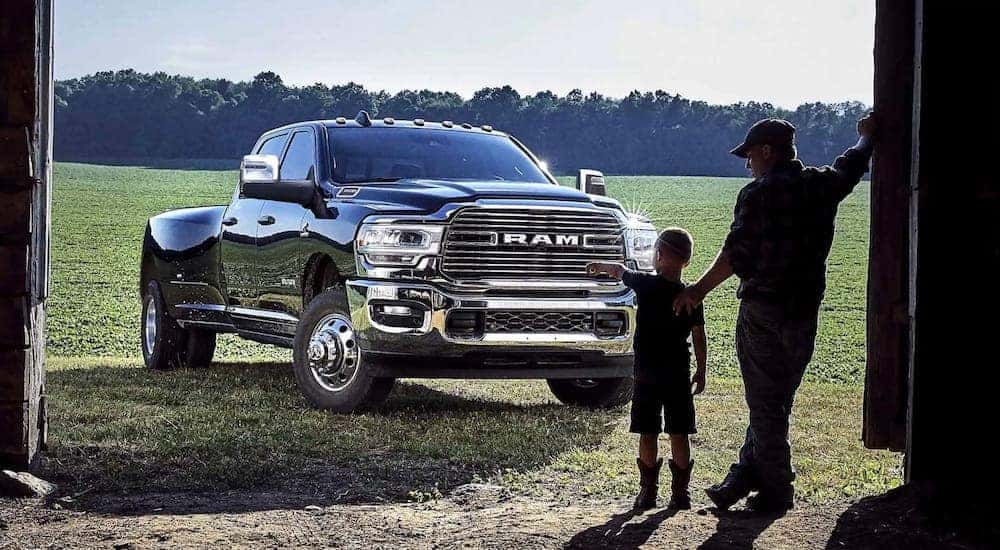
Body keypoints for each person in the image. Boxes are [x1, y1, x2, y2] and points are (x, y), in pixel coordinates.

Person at [673, 114, 877, 513]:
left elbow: (737, 253)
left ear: (767, 152)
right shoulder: (820, 186)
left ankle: (777, 489)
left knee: (765, 404)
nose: (747, 164)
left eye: (749, 155)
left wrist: (698, 290)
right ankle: (742, 475)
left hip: (763, 311)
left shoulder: (757, 195)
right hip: (804, 312)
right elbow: (850, 167)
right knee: (775, 400)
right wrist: (867, 139)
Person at [587, 227, 707, 511]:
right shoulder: (690, 296)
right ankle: (681, 495)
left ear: (660, 255)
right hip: (678, 374)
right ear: (686, 261)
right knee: (679, 432)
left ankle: (647, 492)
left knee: (647, 431)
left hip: (646, 374)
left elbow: (619, 270)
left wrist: (598, 266)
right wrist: (701, 370)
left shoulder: (646, 285)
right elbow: (699, 336)